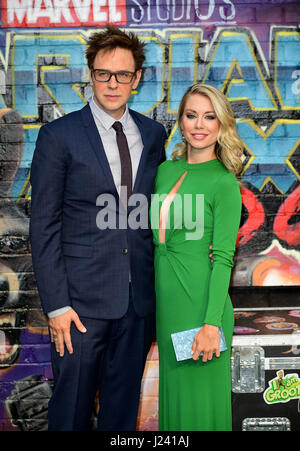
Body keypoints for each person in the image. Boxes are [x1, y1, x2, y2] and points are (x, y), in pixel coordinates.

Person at [29, 25, 167, 431]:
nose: (112, 83)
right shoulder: (59, 136)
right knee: (70, 413)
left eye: (122, 74)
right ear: (90, 75)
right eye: (103, 73)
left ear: (136, 79)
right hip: (79, 308)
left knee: (121, 416)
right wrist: (57, 306)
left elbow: (150, 215)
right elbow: (44, 226)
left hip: (137, 305)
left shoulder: (153, 134)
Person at [151, 83, 243, 431]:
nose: (200, 125)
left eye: (209, 117)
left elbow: (223, 260)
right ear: (181, 121)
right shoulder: (164, 171)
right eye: (192, 115)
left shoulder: (224, 183)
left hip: (203, 306)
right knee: (175, 408)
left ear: (221, 125)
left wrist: (210, 324)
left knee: (202, 411)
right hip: (169, 305)